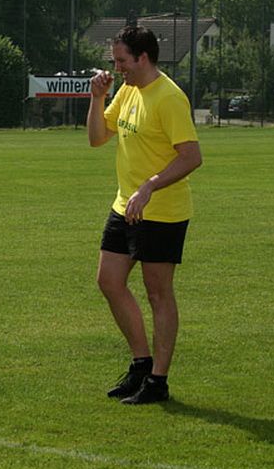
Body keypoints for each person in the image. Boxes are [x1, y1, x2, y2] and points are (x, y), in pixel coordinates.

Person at [86, 25, 202, 405]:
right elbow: (97, 138)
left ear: (143, 58)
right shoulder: (127, 90)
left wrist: (150, 186)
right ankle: (140, 363)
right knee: (109, 281)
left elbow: (191, 157)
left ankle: (158, 381)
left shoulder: (169, 97)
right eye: (114, 61)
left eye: (122, 61)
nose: (116, 68)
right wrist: (97, 98)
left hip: (162, 211)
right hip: (125, 205)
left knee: (157, 292)